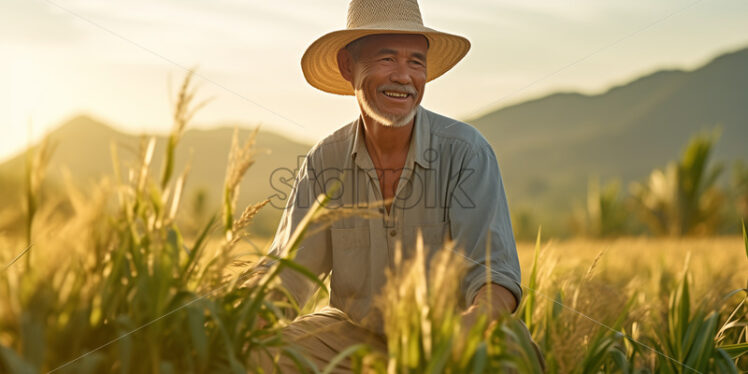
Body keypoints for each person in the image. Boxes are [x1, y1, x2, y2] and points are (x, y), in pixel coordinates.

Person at [252, 0, 541, 372]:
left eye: (416, 62)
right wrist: (240, 319)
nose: (404, 76)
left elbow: (494, 278)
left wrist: (470, 326)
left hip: (453, 334)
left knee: (507, 360)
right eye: (387, 59)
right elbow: (288, 276)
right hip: (354, 339)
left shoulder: (466, 152)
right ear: (347, 66)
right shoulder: (324, 161)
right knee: (260, 353)